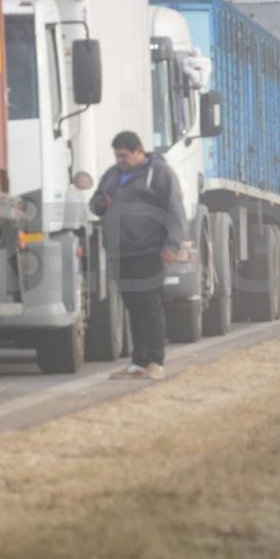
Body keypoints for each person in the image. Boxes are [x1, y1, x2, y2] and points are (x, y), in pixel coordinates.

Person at [90, 131, 187, 380]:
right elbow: (95, 204)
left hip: (149, 251)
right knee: (132, 306)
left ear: (138, 151)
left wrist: (172, 245)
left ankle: (156, 361)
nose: (120, 160)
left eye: (124, 155)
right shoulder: (112, 176)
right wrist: (101, 203)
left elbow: (175, 210)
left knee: (149, 305)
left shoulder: (160, 174)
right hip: (121, 253)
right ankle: (138, 362)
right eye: (117, 155)